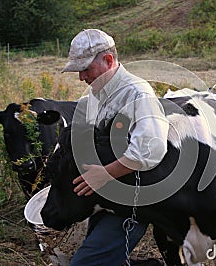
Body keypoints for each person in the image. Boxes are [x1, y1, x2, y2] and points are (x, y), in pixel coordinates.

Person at [61, 29, 169, 265]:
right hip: (107, 198)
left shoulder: (137, 94)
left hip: (130, 202)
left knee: (85, 263)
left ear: (108, 61)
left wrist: (105, 174)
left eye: (85, 69)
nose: (81, 77)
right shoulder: (98, 95)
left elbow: (150, 149)